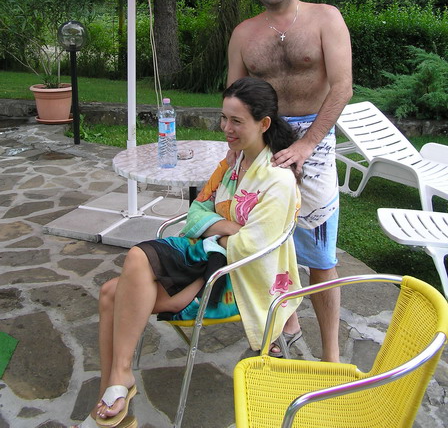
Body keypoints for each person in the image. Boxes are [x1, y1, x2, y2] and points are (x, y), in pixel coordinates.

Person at [72, 77, 303, 428]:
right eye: (224, 118)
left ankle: (117, 389)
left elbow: (251, 249)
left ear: (264, 123)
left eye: (236, 121)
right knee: (110, 292)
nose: (226, 128)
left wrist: (205, 260)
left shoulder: (277, 180)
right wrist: (225, 228)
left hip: (234, 283)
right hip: (209, 259)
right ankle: (117, 386)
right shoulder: (234, 163)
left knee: (125, 276)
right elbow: (196, 210)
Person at [227, 0, 353, 363]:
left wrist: (307, 143)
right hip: (261, 139)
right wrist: (233, 148)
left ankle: (331, 356)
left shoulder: (325, 18)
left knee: (320, 255)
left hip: (314, 139)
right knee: (263, 243)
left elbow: (342, 87)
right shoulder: (244, 34)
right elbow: (235, 97)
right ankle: (285, 328)